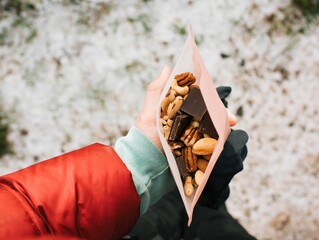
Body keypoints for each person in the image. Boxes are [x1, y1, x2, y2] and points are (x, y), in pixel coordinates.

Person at [0, 67, 256, 240]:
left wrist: (142, 161)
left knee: (195, 219)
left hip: (119, 228)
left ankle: (197, 210)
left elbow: (27, 214)